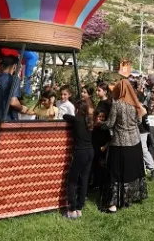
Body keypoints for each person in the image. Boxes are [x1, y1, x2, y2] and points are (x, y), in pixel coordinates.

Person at [100, 78, 148, 213]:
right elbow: (139, 121)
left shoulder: (117, 104)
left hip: (120, 144)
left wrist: (99, 124)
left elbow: (110, 123)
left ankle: (113, 204)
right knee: (131, 171)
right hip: (135, 142)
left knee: (116, 173)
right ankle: (130, 198)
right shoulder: (135, 104)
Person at [63, 89, 95, 219]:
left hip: (80, 153)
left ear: (78, 110)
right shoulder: (89, 121)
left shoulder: (76, 120)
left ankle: (72, 209)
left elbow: (65, 116)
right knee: (84, 180)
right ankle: (80, 207)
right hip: (90, 152)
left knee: (72, 180)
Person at [0, 56, 31, 121]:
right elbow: (13, 102)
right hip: (9, 120)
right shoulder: (14, 79)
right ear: (15, 66)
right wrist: (22, 108)